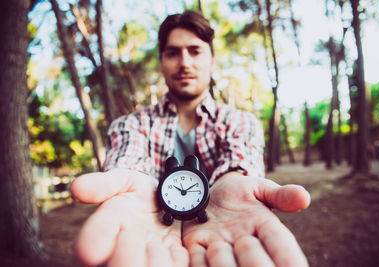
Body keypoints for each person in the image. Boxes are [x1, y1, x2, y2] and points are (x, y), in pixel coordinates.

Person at [70, 10, 311, 267]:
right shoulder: (130, 125)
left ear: (212, 60)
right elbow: (128, 161)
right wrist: (130, 183)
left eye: (195, 51)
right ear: (161, 62)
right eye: (173, 53)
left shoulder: (242, 123)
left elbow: (239, 163)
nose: (185, 62)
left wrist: (232, 183)